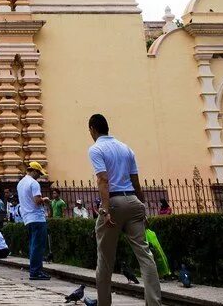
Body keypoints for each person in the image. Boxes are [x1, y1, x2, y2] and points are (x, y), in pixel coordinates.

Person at [87, 113, 162, 306]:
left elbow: (103, 180)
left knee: (105, 259)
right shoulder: (126, 148)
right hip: (134, 201)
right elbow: (136, 182)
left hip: (114, 203)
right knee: (145, 256)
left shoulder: (96, 149)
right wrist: (143, 207)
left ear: (93, 130)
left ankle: (104, 303)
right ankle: (154, 303)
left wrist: (105, 211)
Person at [17, 161, 50, 280]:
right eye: (39, 173)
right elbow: (37, 201)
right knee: (38, 245)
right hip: (37, 218)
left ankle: (34, 269)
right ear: (34, 171)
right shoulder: (34, 183)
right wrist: (45, 199)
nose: (39, 176)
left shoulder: (20, 183)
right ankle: (36, 271)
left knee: (33, 244)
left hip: (27, 218)